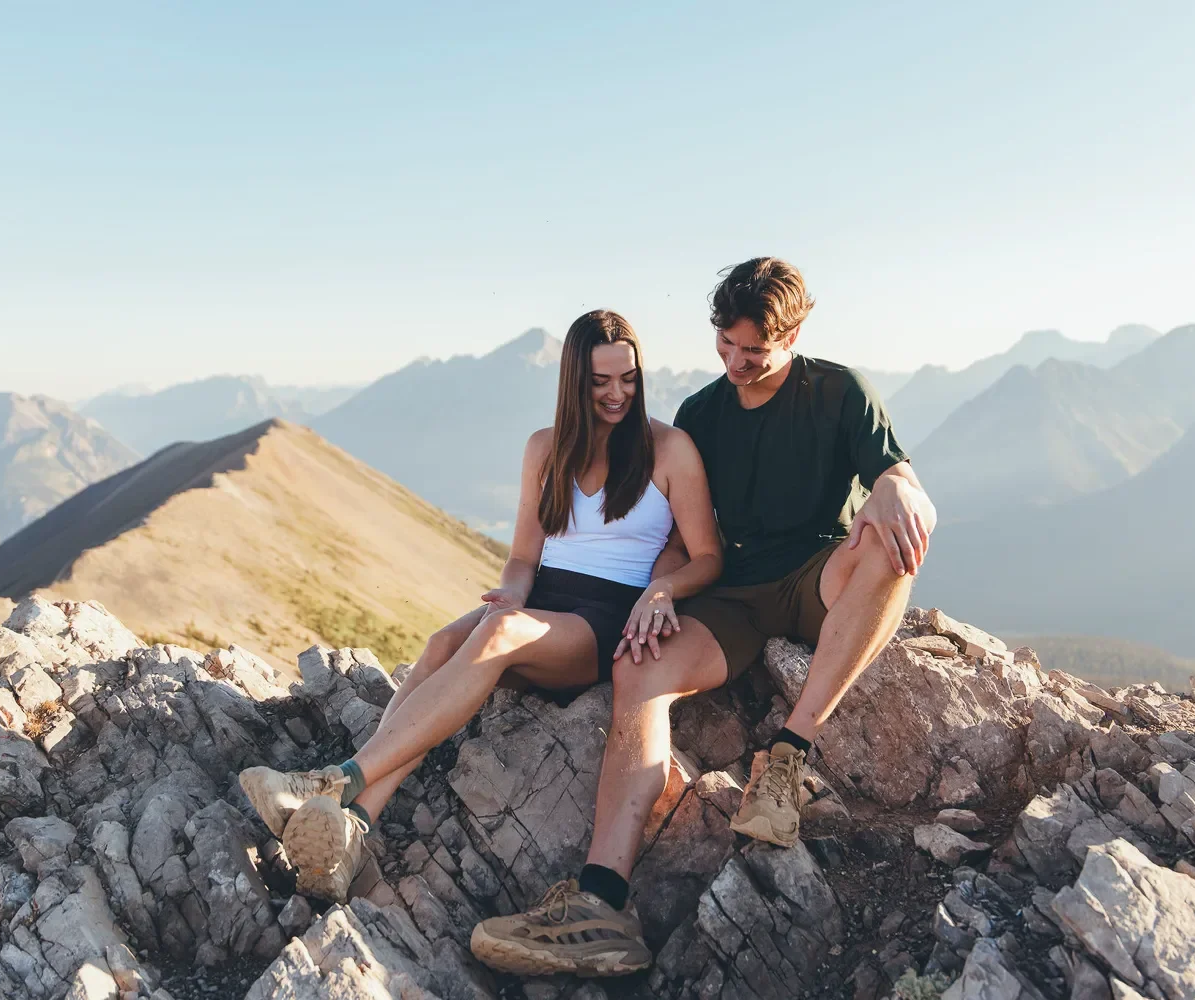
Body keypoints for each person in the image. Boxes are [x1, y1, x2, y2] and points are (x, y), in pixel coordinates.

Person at [471, 257, 936, 976]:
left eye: (755, 350)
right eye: (726, 345)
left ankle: (788, 755)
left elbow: (895, 478)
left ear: (797, 332)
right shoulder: (700, 418)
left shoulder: (839, 391)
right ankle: (601, 905)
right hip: (730, 592)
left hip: (818, 575)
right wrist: (659, 592)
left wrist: (900, 487)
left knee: (888, 543)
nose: (738, 363)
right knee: (637, 667)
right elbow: (683, 539)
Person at [238, 309, 721, 934]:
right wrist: (510, 598)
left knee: (493, 633)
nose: (617, 393)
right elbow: (523, 556)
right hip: (542, 601)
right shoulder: (545, 449)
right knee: (443, 642)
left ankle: (333, 782)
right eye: (601, 381)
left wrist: (661, 589)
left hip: (606, 620)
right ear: (575, 380)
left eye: (627, 378)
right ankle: (353, 831)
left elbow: (708, 556)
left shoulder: (669, 449)